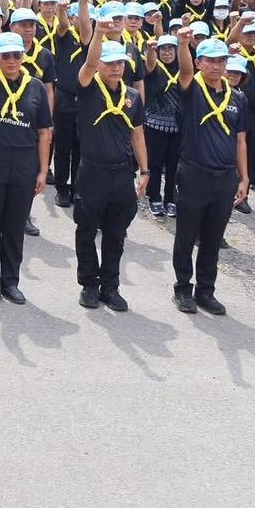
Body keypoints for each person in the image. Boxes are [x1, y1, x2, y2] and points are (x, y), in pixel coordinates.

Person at [0, 22, 52, 304]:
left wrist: (42, 169)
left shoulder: (36, 87)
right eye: (6, 56)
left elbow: (44, 131)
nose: (12, 61)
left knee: (15, 223)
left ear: (24, 56)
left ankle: (11, 281)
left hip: (24, 160)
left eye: (17, 55)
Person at [168, 33, 248, 315]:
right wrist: (182, 44)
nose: (217, 66)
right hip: (194, 173)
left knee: (213, 238)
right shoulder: (192, 88)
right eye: (211, 61)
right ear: (200, 62)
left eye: (222, 61)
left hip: (224, 177)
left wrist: (244, 176)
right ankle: (182, 288)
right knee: (187, 235)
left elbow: (240, 139)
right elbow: (186, 70)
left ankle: (206, 290)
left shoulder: (236, 96)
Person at [73, 30, 149, 311]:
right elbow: (89, 65)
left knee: (116, 232)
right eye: (110, 63)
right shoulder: (89, 87)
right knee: (87, 228)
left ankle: (110, 286)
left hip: (121, 173)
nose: (116, 68)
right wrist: (99, 34)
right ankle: (89, 283)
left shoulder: (131, 96)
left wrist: (145, 170)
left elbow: (137, 134)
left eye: (120, 63)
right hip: (92, 171)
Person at [141, 33, 182, 217]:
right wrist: (151, 50)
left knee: (174, 164)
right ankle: (155, 197)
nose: (166, 53)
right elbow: (150, 63)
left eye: (170, 49)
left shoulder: (183, 69)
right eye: (162, 49)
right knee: (155, 164)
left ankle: (171, 198)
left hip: (178, 126)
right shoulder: (154, 69)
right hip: (155, 124)